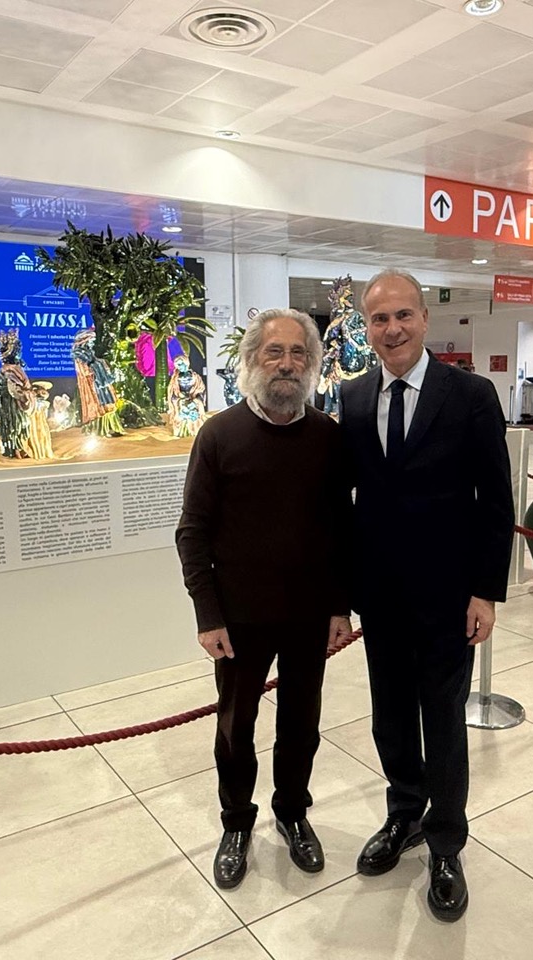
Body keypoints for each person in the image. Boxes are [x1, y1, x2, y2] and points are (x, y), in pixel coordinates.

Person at [339, 269, 514, 922]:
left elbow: (495, 501)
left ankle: (445, 843)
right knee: (389, 716)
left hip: (448, 597)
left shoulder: (469, 394)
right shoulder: (354, 397)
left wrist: (485, 592)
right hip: (380, 596)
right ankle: (404, 813)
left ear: (425, 318)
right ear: (366, 327)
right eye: (379, 319)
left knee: (442, 720)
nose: (392, 329)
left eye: (403, 315)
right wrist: (340, 596)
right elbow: (346, 505)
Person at [176, 308, 354, 891]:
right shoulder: (218, 435)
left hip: (309, 616)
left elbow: (341, 529)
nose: (286, 363)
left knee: (302, 725)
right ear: (252, 359)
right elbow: (192, 532)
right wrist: (208, 615)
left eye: (298, 353)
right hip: (238, 620)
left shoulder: (328, 437)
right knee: (236, 728)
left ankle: (293, 813)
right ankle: (236, 823)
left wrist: (340, 606)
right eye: (274, 351)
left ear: (312, 364)